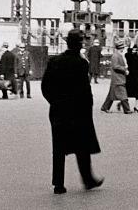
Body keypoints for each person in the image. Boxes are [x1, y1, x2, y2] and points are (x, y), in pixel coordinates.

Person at [41, 29, 103, 195]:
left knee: (58, 148)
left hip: (58, 111)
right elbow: (84, 90)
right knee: (82, 146)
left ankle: (58, 184)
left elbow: (45, 86)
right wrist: (87, 107)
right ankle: (88, 179)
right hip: (78, 112)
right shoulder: (81, 64)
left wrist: (54, 102)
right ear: (79, 45)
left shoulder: (54, 61)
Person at [100, 39, 131, 114]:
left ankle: (105, 107)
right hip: (118, 78)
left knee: (111, 95)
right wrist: (124, 69)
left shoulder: (117, 55)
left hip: (117, 78)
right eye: (122, 47)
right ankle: (127, 109)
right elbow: (115, 66)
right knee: (123, 94)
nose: (123, 49)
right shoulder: (116, 56)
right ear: (120, 48)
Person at [124, 43, 138, 113]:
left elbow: (137, 65)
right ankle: (123, 104)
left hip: (135, 76)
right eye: (133, 49)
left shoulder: (137, 56)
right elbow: (128, 56)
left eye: (135, 49)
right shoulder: (128, 55)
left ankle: (136, 106)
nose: (134, 51)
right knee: (127, 91)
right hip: (130, 75)